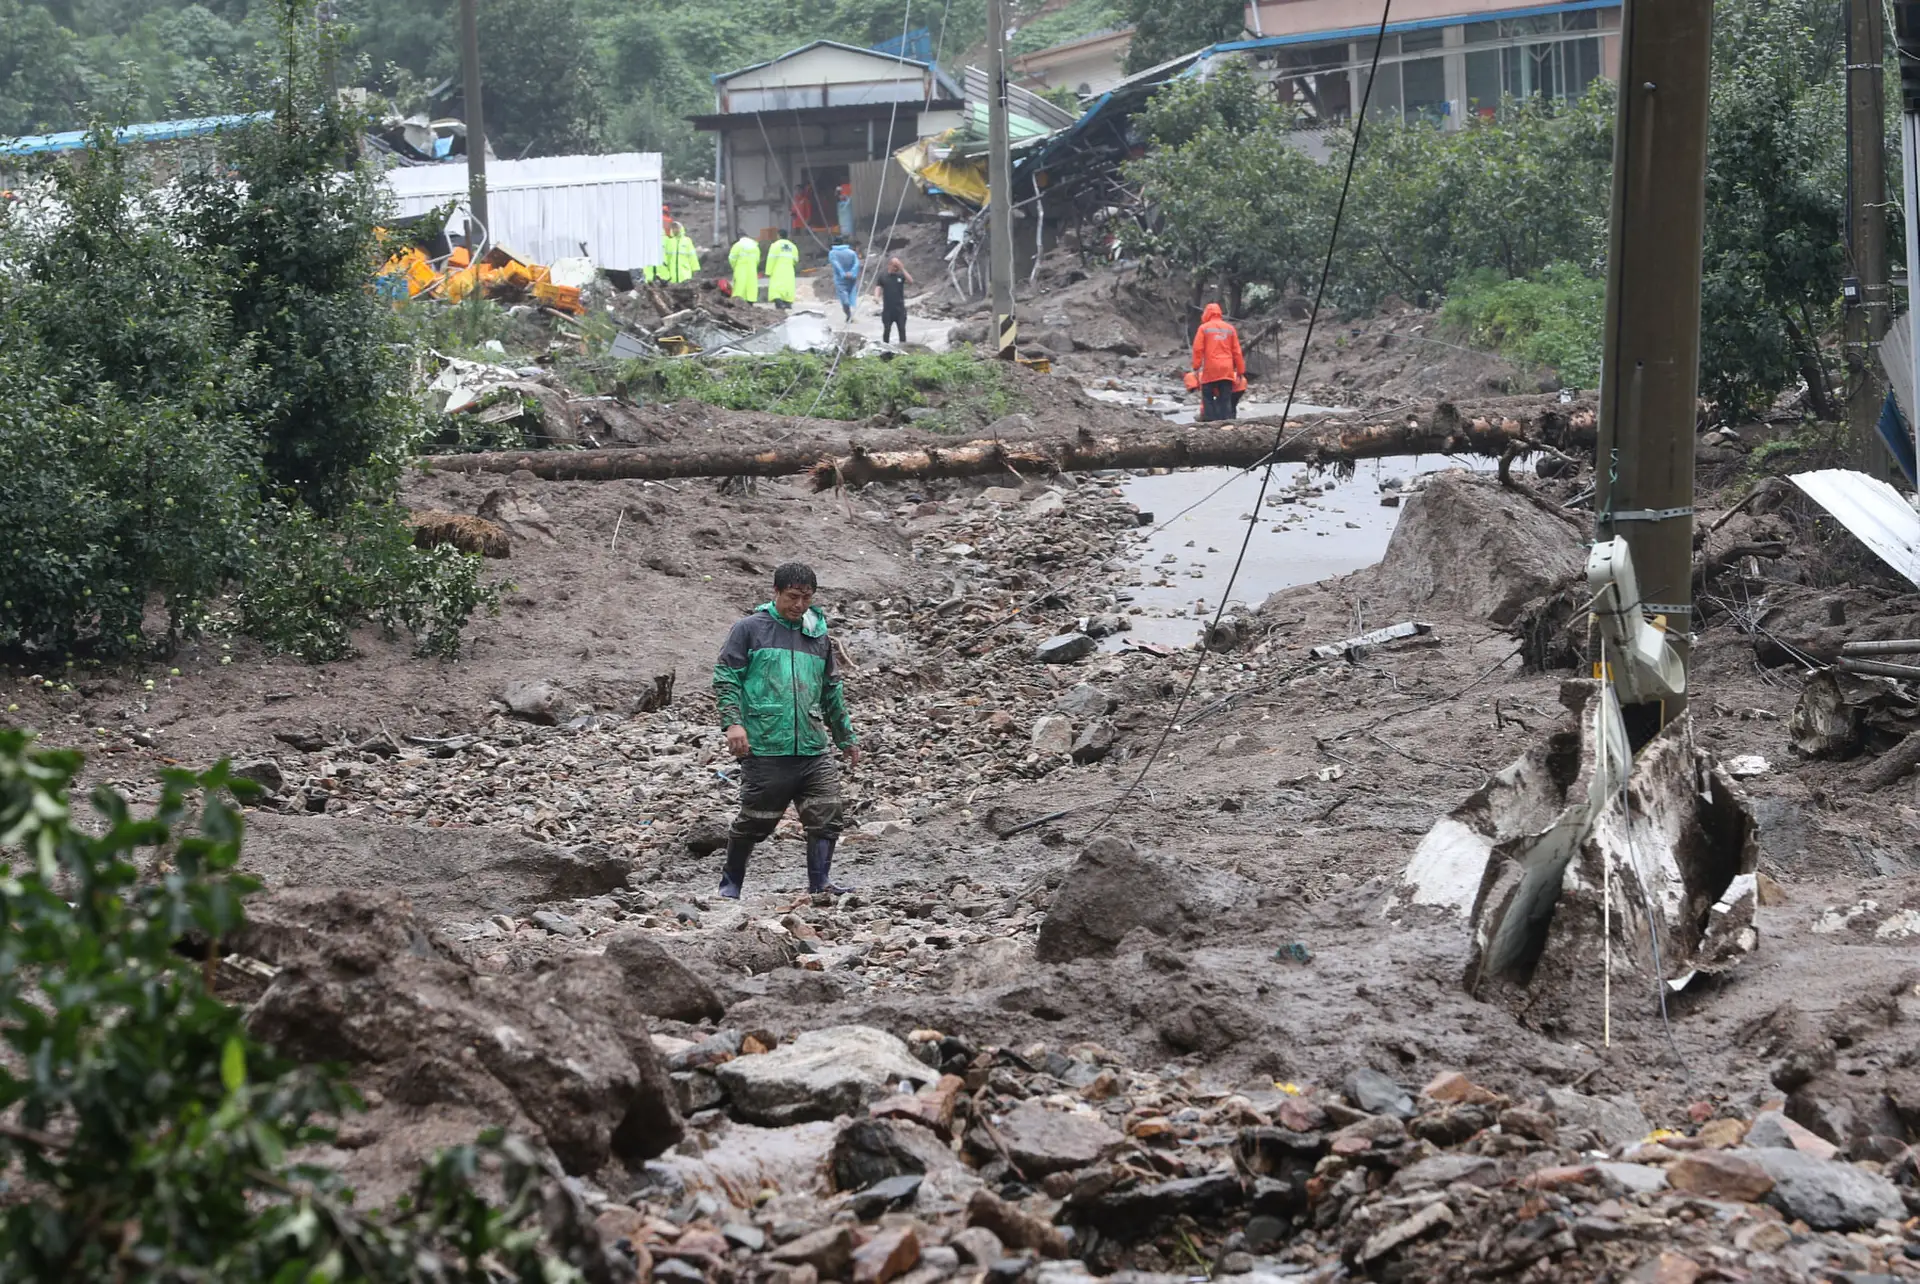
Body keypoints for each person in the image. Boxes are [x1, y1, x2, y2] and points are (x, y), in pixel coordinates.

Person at [712, 563, 861, 899]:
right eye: (793, 597)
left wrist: (845, 737)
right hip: (766, 744)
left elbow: (830, 691)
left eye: (806, 598)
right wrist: (733, 724)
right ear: (775, 592)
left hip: (811, 744)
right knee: (756, 820)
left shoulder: (817, 635)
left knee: (827, 814)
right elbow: (726, 679)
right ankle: (730, 885)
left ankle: (820, 883)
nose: (799, 605)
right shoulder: (750, 629)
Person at [1191, 302, 1245, 423]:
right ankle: (1226, 423)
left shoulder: (1204, 328)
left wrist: (1196, 367)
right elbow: (1237, 351)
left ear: (1206, 314)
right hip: (1227, 369)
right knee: (1225, 398)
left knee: (1207, 397)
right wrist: (1240, 371)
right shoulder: (1230, 329)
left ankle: (1210, 422)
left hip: (1211, 369)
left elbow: (1197, 349)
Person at [873, 256, 913, 345]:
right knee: (887, 330)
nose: (896, 268)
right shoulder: (883, 276)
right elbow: (878, 287)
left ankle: (903, 350)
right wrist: (876, 296)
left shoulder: (900, 275)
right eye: (895, 266)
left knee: (902, 330)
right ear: (889, 265)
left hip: (900, 309)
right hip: (888, 309)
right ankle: (885, 349)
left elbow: (910, 281)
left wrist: (902, 268)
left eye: (897, 267)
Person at [828, 238, 860, 322]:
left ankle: (849, 315)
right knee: (851, 296)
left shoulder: (832, 253)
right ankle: (851, 315)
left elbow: (836, 264)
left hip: (840, 279)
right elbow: (856, 263)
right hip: (851, 278)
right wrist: (852, 273)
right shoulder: (851, 252)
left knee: (844, 300)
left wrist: (843, 273)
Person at [765, 233, 799, 310]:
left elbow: (771, 259)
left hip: (777, 270)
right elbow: (796, 260)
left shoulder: (775, 245)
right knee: (788, 286)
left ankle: (779, 303)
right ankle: (788, 303)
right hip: (789, 270)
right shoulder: (793, 246)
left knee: (776, 287)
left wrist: (768, 271)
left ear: (778, 235)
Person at [728, 234, 762, 303]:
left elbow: (732, 258)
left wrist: (735, 267)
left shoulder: (737, 245)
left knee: (739, 285)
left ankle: (738, 301)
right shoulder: (755, 247)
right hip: (752, 269)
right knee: (751, 285)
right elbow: (757, 260)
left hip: (740, 269)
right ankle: (750, 301)